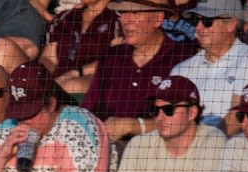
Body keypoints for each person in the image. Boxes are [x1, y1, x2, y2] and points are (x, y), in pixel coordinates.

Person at [81, 0, 193, 147]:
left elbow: (188, 122)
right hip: (106, 149)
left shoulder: (183, 59)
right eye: (122, 12)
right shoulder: (112, 57)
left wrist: (136, 126)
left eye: (135, 13)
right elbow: (87, 110)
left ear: (158, 19)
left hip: (159, 152)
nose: (124, 20)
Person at [171, 0, 248, 133]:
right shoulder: (180, 70)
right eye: (196, 21)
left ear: (231, 24)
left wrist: (207, 146)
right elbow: (172, 120)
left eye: (207, 22)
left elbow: (238, 115)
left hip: (229, 147)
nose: (198, 28)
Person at [41, 0, 120, 97]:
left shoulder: (118, 19)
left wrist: (76, 73)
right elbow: (49, 58)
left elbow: (115, 59)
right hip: (58, 79)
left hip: (96, 77)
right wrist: (40, 75)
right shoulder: (66, 17)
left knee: (68, 86)